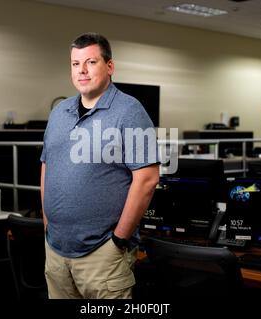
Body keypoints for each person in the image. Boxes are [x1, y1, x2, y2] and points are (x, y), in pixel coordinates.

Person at [40, 32, 160, 299]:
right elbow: (47, 165)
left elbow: (148, 179)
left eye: (91, 62)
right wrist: (48, 222)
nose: (81, 70)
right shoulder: (60, 112)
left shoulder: (130, 111)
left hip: (102, 254)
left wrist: (118, 240)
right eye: (75, 64)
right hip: (56, 250)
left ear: (109, 66)